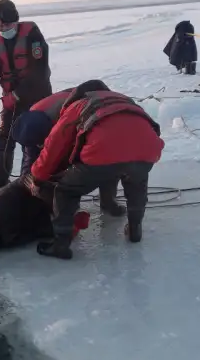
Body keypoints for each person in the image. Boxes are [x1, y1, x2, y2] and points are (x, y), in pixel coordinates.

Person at [26, 81, 164, 260]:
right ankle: (135, 229)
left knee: (66, 190)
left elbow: (53, 146)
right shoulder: (123, 99)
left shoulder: (78, 105)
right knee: (136, 181)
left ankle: (61, 245)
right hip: (147, 149)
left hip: (102, 152)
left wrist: (37, 177)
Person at [12, 83, 127, 216]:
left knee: (103, 158)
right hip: (71, 121)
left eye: (41, 144)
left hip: (94, 122)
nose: (39, 147)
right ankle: (56, 204)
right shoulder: (30, 122)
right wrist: (29, 182)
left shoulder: (67, 115)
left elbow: (60, 150)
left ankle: (107, 201)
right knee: (44, 167)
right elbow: (31, 157)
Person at [0, 0, 52, 198]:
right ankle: (1, 180)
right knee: (4, 137)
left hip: (38, 98)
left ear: (16, 22)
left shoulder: (33, 36)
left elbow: (41, 72)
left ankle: (30, 181)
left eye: (7, 25)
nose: (2, 28)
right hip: (10, 99)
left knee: (34, 140)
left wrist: (18, 94)